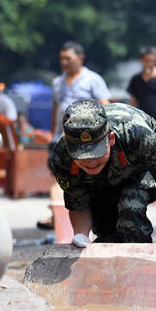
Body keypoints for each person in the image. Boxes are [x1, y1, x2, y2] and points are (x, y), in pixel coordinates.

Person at [48, 99, 156, 250]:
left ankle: (138, 257)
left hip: (140, 167)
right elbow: (77, 200)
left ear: (111, 139)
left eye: (96, 152)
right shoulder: (62, 154)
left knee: (130, 209)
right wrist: (81, 235)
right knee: (107, 233)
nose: (90, 161)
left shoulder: (138, 135)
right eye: (81, 155)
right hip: (100, 180)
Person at [40, 41, 111, 229]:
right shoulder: (57, 82)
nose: (64, 62)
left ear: (80, 58)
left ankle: (94, 218)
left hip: (86, 140)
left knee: (87, 176)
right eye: (61, 58)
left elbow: (106, 107)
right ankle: (57, 217)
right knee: (58, 175)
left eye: (68, 58)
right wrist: (52, 134)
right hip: (60, 139)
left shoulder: (93, 79)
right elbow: (56, 109)